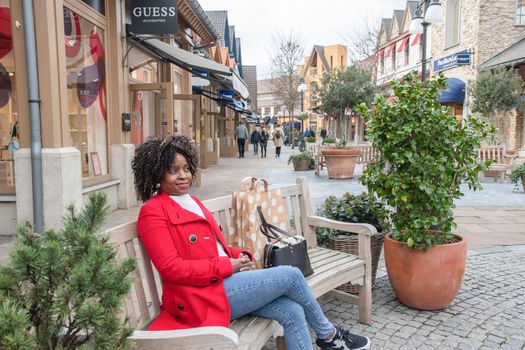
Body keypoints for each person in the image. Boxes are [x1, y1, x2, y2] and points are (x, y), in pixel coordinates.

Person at [131, 135, 371, 350]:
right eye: (173, 170)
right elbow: (172, 268)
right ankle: (328, 335)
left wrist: (238, 255)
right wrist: (226, 267)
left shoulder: (191, 200)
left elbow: (215, 247)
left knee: (293, 311)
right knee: (291, 276)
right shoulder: (153, 212)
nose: (183, 176)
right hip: (200, 298)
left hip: (223, 284)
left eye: (186, 168)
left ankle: (326, 336)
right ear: (157, 174)